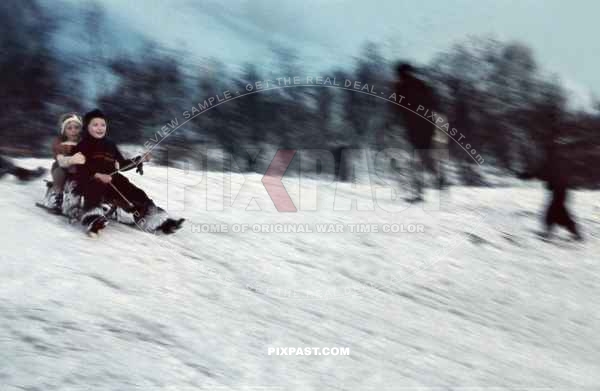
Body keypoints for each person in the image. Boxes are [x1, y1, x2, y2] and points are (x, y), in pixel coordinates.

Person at [74, 109, 180, 235]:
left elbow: (121, 165)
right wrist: (97, 175)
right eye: (95, 125)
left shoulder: (110, 145)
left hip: (111, 179)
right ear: (87, 127)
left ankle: (151, 216)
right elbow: (80, 167)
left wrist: (139, 159)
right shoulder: (83, 145)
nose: (100, 128)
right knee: (95, 188)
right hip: (90, 179)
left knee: (131, 190)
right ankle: (93, 217)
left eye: (103, 125)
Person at [389, 62, 446, 201]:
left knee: (415, 157)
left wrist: (394, 123)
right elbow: (434, 103)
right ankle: (437, 176)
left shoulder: (400, 86)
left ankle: (418, 193)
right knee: (423, 155)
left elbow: (398, 107)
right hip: (429, 125)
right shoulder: (422, 84)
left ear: (400, 73)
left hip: (412, 126)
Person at [519, 137, 582, 241]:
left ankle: (554, 232)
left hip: (559, 190)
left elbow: (541, 173)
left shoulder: (552, 161)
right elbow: (543, 173)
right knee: (558, 211)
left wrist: (526, 175)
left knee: (555, 211)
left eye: (546, 149)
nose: (544, 151)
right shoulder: (557, 160)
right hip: (561, 190)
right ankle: (569, 232)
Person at [42, 113, 86, 211]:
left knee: (83, 176)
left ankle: (75, 197)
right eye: (69, 128)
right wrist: (72, 159)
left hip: (78, 172)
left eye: (76, 127)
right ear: (63, 130)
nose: (73, 130)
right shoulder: (59, 142)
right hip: (62, 168)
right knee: (59, 170)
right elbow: (61, 160)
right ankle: (56, 193)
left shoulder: (84, 142)